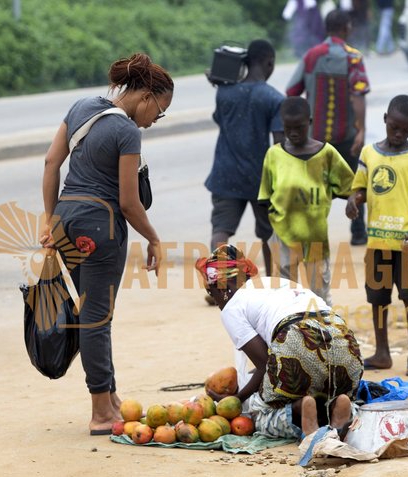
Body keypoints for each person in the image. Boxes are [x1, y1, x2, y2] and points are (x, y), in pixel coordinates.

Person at [39, 53, 173, 435]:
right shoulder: (127, 132)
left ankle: (110, 397)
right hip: (101, 226)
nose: (153, 121)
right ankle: (101, 410)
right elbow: (130, 203)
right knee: (96, 317)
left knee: (90, 311)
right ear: (146, 96)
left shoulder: (82, 107)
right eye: (158, 112)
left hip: (67, 219)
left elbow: (51, 164)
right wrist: (154, 238)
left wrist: (50, 220)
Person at [196, 245, 364, 440]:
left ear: (223, 286)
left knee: (259, 414)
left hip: (296, 339)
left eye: (212, 291)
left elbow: (265, 364)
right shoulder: (272, 283)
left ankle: (299, 409)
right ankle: (340, 405)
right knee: (317, 381)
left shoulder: (232, 307)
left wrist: (237, 398)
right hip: (344, 342)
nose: (213, 299)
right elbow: (273, 361)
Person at [345, 95, 408, 376]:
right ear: (384, 119)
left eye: (405, 129)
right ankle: (382, 352)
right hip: (378, 243)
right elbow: (360, 189)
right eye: (394, 126)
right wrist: (353, 201)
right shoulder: (369, 154)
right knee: (378, 300)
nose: (399, 133)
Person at [204, 38, 285, 298]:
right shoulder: (273, 97)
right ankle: (273, 286)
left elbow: (220, 119)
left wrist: (220, 86)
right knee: (269, 233)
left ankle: (216, 285)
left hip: (225, 174)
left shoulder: (224, 92)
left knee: (221, 230)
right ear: (269, 62)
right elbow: (279, 144)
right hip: (260, 178)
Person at [287, 9, 370, 246]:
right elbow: (359, 95)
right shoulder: (353, 57)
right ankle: (358, 233)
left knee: (314, 186)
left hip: (316, 138)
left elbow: (292, 92)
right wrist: (361, 130)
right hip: (348, 135)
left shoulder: (311, 56)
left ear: (326, 28)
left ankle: (312, 234)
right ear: (346, 28)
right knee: (355, 182)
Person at [259, 96, 354, 303]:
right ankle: (286, 334)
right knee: (283, 295)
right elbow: (265, 197)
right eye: (288, 128)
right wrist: (271, 232)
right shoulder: (274, 155)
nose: (293, 133)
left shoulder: (326, 154)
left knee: (319, 296)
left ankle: (323, 333)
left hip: (315, 236)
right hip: (283, 234)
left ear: (309, 123)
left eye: (299, 127)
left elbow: (351, 186)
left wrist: (353, 200)